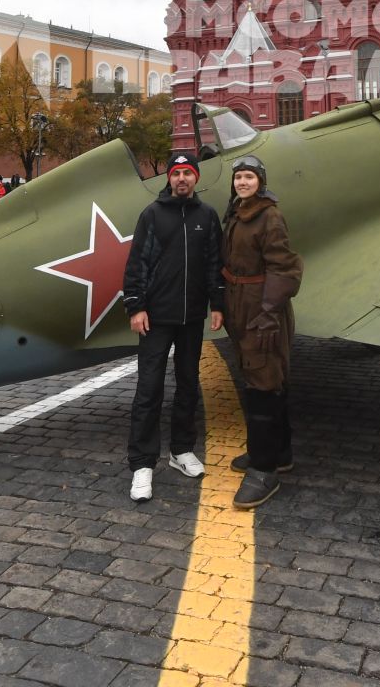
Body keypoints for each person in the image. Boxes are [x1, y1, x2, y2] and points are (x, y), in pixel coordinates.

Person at [123, 152, 224, 503]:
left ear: (196, 178)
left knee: (187, 385)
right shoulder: (152, 214)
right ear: (169, 179)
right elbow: (137, 263)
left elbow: (215, 263)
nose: (182, 179)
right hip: (156, 318)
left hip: (192, 317)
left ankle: (182, 450)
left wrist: (218, 304)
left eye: (188, 173)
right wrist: (136, 307)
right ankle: (142, 464)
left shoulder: (207, 216)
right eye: (176, 173)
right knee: (148, 389)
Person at [219, 154, 302, 509]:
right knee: (261, 377)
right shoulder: (238, 213)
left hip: (261, 309)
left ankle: (264, 469)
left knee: (263, 384)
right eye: (239, 178)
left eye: (250, 177)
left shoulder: (270, 216)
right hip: (242, 305)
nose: (243, 183)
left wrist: (269, 313)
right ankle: (277, 452)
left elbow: (285, 268)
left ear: (261, 181)